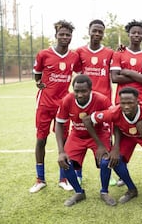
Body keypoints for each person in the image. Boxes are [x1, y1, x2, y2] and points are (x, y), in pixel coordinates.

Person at [83, 87, 142, 206]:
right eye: (123, 103)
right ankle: (131, 189)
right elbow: (87, 120)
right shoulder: (114, 111)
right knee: (113, 160)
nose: (126, 106)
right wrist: (104, 145)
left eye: (130, 103)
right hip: (126, 136)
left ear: (138, 101)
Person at [29, 20, 81, 193]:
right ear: (56, 35)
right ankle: (40, 179)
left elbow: (81, 72)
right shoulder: (44, 54)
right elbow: (37, 74)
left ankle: (63, 178)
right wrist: (38, 83)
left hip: (63, 104)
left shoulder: (74, 56)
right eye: (62, 34)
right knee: (41, 139)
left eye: (68, 35)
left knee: (64, 141)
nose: (65, 37)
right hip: (44, 103)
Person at [55, 74, 116, 207]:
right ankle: (78, 192)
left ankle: (104, 192)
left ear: (90, 90)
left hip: (99, 135)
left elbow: (115, 119)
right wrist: (61, 151)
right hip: (77, 135)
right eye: (77, 91)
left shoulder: (102, 100)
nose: (80, 94)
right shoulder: (67, 100)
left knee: (106, 161)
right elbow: (59, 124)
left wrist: (112, 144)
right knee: (64, 161)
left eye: (84, 91)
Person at [75, 19, 117, 186]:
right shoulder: (79, 52)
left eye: (100, 31)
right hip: (83, 103)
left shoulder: (110, 53)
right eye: (95, 30)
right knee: (80, 135)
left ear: (103, 33)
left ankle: (108, 172)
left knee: (106, 136)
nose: (97, 34)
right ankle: (77, 173)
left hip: (103, 102)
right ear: (89, 31)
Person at [110, 20, 142, 104]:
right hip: (121, 101)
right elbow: (115, 78)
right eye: (133, 32)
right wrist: (141, 78)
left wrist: (128, 72)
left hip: (141, 100)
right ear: (128, 34)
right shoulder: (118, 54)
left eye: (139, 33)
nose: (136, 35)